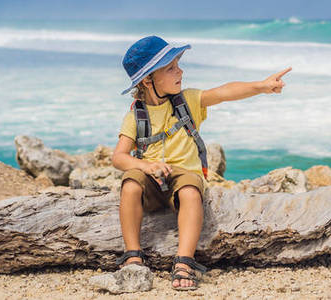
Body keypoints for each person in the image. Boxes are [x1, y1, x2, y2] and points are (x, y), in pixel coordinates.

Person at [111, 35, 291, 291]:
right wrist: (145, 166)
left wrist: (260, 86)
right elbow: (119, 157)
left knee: (190, 192)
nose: (180, 71)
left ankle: (184, 260)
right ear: (148, 80)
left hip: (185, 173)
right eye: (171, 68)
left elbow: (224, 92)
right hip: (151, 177)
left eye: (177, 65)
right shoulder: (135, 116)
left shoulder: (188, 102)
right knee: (130, 185)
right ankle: (133, 254)